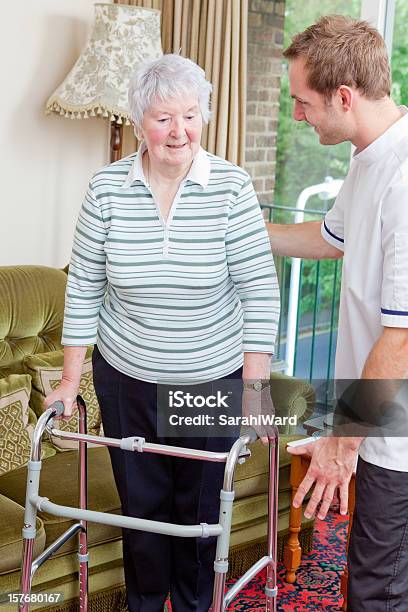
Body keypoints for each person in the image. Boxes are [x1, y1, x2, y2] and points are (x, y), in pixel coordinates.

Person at [45, 54, 280, 612]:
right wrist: (69, 379)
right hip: (128, 379)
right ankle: (146, 604)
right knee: (142, 515)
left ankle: (198, 605)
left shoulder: (231, 188)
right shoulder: (106, 189)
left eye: (191, 116)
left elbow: (260, 293)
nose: (180, 132)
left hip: (210, 379)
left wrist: (254, 392)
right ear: (138, 122)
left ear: (204, 117)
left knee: (200, 516)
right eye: (163, 118)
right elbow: (83, 290)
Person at [268, 15, 408, 610]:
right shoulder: (370, 157)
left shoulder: (404, 179)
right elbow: (329, 239)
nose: (298, 114)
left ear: (343, 97)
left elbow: (401, 338)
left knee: (377, 591)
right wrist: (239, 229)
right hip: (379, 425)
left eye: (303, 102)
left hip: (397, 440)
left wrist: (342, 444)